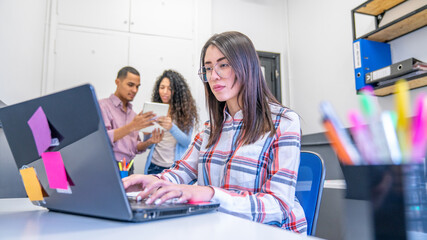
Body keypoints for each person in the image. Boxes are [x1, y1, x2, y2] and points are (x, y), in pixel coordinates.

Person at [122, 32, 307, 233]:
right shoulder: (211, 128)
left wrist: (210, 194)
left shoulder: (284, 122)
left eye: (223, 65)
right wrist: (153, 182)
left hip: (270, 232)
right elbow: (182, 171)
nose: (213, 76)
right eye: (208, 68)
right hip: (222, 229)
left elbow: (279, 205)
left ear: (247, 67)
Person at [99, 66, 164, 174]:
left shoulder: (133, 115)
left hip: (129, 167)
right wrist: (132, 126)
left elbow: (135, 147)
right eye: (130, 85)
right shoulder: (103, 106)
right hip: (109, 167)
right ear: (117, 82)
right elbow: (102, 139)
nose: (135, 90)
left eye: (137, 86)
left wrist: (149, 142)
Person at [145, 70, 199, 175]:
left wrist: (171, 127)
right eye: (162, 88)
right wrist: (146, 135)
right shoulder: (154, 110)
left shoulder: (185, 112)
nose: (165, 92)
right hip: (153, 166)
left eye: (170, 89)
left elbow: (186, 142)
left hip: (174, 168)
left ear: (177, 91)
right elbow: (149, 146)